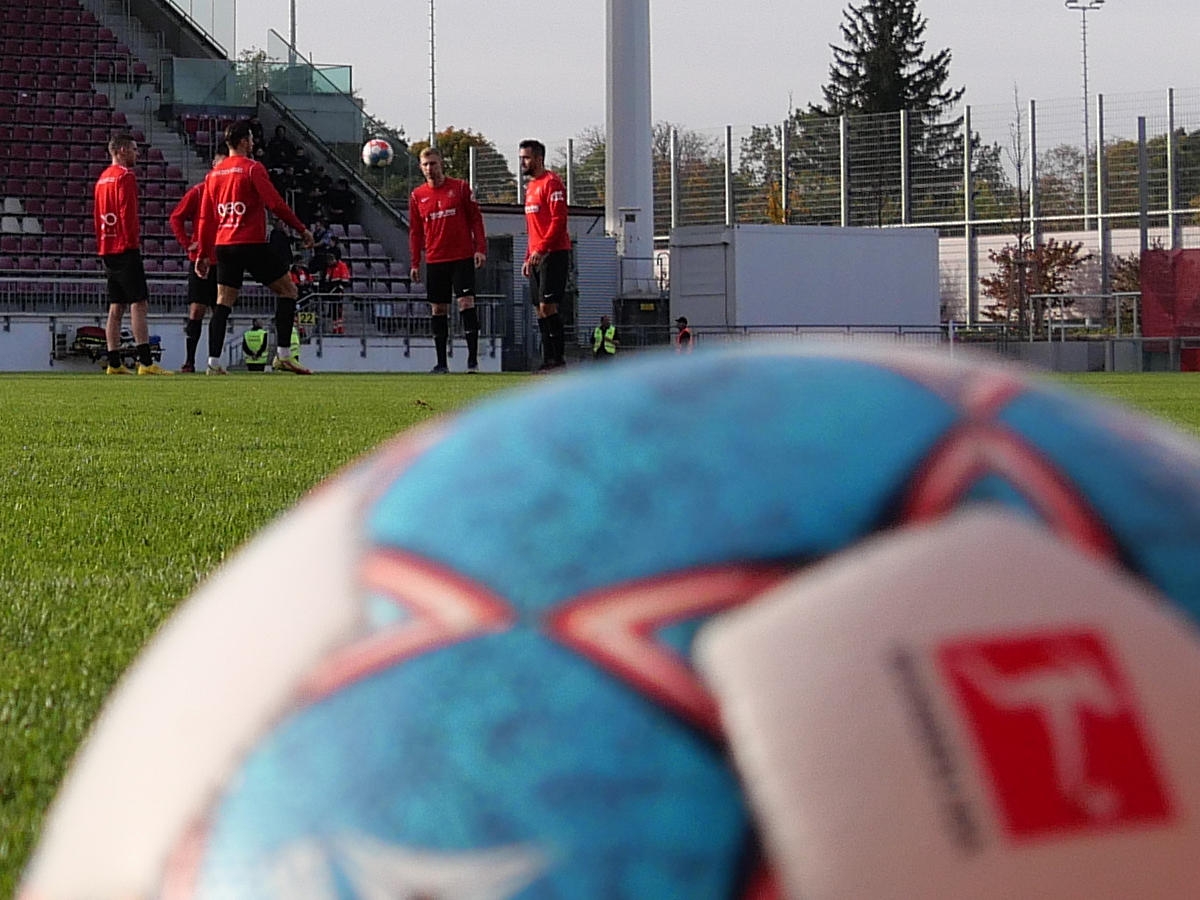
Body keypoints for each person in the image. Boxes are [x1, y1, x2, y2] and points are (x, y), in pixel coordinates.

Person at [194, 119, 315, 375]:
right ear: (243, 142)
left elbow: (206, 218)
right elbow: (275, 203)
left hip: (224, 245)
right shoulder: (252, 169)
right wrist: (301, 228)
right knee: (288, 291)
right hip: (250, 242)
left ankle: (213, 363)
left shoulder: (213, 175)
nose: (253, 142)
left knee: (223, 302)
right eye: (250, 138)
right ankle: (283, 355)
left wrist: (203, 253)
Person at [92, 134, 173, 375]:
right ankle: (146, 362)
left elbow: (97, 216)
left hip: (106, 246)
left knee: (116, 306)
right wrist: (131, 243)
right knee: (139, 303)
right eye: (135, 149)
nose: (138, 154)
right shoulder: (125, 176)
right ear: (122, 150)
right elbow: (127, 212)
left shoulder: (102, 179)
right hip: (124, 247)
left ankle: (114, 362)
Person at [408, 146, 487, 374]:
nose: (429, 168)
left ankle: (472, 361)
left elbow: (476, 220)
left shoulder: (460, 188)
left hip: (461, 256)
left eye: (433, 163)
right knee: (438, 309)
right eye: (425, 164)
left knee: (466, 303)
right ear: (420, 167)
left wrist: (480, 249)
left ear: (441, 164)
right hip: (435, 259)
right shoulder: (417, 196)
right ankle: (441, 363)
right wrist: (415, 262)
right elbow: (415, 232)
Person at [169, 149, 227, 373]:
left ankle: (214, 360)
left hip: (223, 259)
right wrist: (187, 243)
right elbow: (176, 217)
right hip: (201, 260)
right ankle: (190, 361)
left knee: (220, 310)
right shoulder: (199, 191)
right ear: (213, 164)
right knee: (197, 310)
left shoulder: (230, 194)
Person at [519, 139, 572, 371]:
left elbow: (558, 221)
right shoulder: (531, 187)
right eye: (521, 158)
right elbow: (532, 228)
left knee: (548, 306)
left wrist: (541, 249)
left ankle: (558, 358)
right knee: (539, 309)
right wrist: (528, 255)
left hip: (553, 252)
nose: (523, 162)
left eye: (526, 158)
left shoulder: (552, 183)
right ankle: (548, 359)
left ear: (539, 158)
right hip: (536, 255)